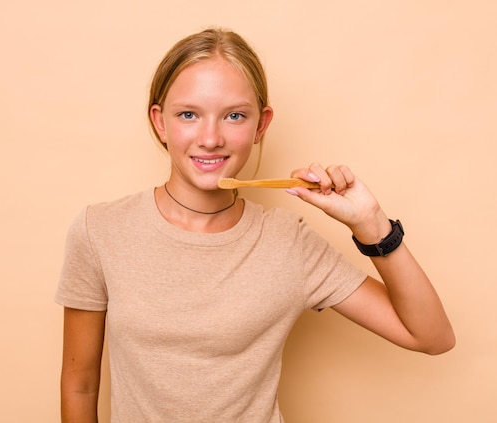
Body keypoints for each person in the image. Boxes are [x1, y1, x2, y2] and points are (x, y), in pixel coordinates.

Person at [55, 28, 455, 423]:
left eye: (234, 116)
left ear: (261, 125)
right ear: (160, 122)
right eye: (189, 114)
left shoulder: (288, 242)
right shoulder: (100, 230)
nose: (210, 138)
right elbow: (80, 384)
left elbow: (432, 337)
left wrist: (372, 224)